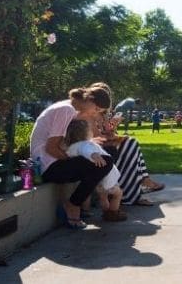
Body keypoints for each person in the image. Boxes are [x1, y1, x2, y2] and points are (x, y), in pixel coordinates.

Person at [29, 87, 115, 229]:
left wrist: (87, 148)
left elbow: (65, 143)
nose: (95, 113)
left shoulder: (69, 108)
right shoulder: (66, 110)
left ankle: (84, 200)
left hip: (52, 162)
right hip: (48, 167)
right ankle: (73, 205)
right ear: (89, 100)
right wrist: (77, 156)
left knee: (107, 154)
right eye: (97, 109)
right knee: (105, 163)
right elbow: (51, 148)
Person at [79, 82, 166, 206]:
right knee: (130, 146)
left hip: (104, 144)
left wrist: (114, 125)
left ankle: (140, 185)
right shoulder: (91, 114)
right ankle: (139, 186)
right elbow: (97, 136)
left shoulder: (103, 114)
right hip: (95, 148)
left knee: (131, 143)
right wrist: (112, 133)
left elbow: (108, 132)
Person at [64, 119, 127, 222]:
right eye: (91, 130)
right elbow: (86, 150)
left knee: (103, 196)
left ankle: (106, 212)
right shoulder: (85, 144)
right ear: (86, 133)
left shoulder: (72, 147)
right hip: (108, 177)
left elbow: (76, 153)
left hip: (97, 179)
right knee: (118, 194)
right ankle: (113, 213)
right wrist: (94, 155)